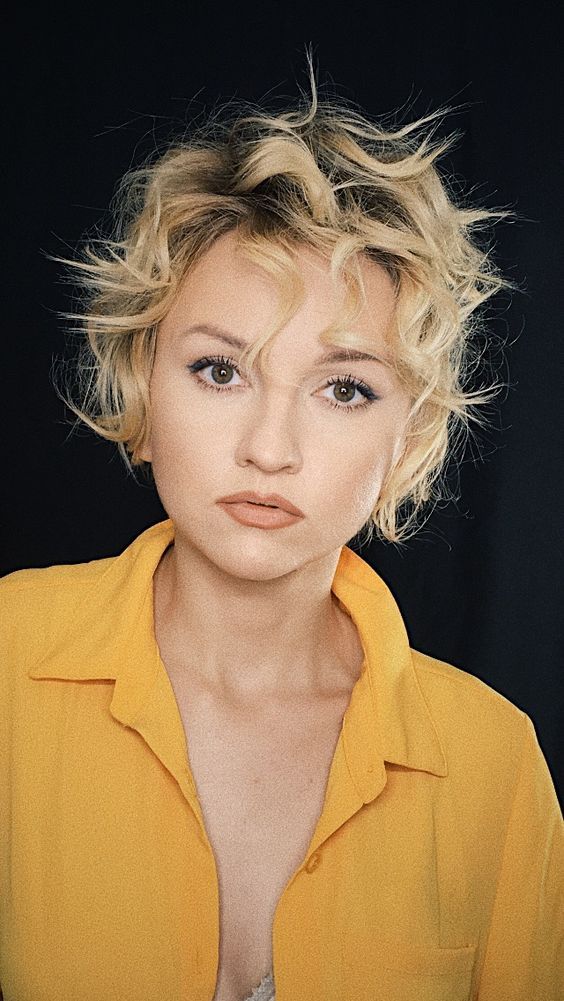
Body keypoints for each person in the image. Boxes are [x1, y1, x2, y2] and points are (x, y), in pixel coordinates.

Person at [1, 61, 562, 1001]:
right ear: (143, 384)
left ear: (409, 438)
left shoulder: (493, 767)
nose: (271, 447)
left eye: (345, 388)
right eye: (222, 371)